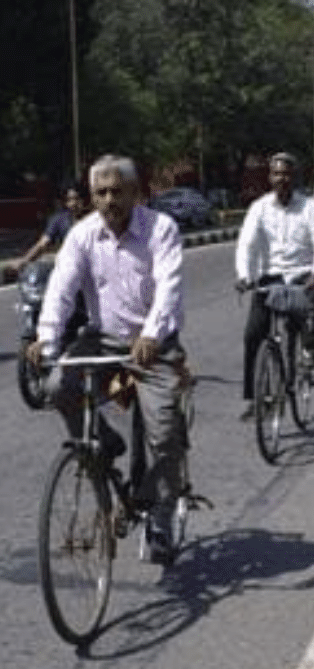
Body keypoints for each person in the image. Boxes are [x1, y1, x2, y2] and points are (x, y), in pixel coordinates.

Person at [26, 154, 188, 565]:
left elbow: (169, 288)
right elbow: (62, 289)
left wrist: (151, 334)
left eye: (118, 191)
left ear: (136, 193)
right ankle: (102, 442)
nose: (109, 200)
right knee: (57, 385)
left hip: (153, 344)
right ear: (91, 197)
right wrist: (47, 340)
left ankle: (161, 512)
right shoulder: (82, 235)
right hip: (102, 340)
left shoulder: (160, 230)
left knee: (165, 436)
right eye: (101, 192)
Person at [235, 152, 314, 420]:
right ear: (270, 178)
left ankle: (313, 346)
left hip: (303, 275)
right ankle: (253, 398)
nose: (282, 178)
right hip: (270, 277)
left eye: (287, 174)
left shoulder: (310, 207)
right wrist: (245, 275)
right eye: (277, 173)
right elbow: (247, 244)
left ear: (295, 178)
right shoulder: (259, 208)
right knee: (252, 335)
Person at [4, 184, 88, 282]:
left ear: (84, 200)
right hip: (69, 269)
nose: (74, 203)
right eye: (69, 200)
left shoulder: (94, 220)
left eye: (77, 199)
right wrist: (24, 261)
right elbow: (43, 243)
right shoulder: (59, 220)